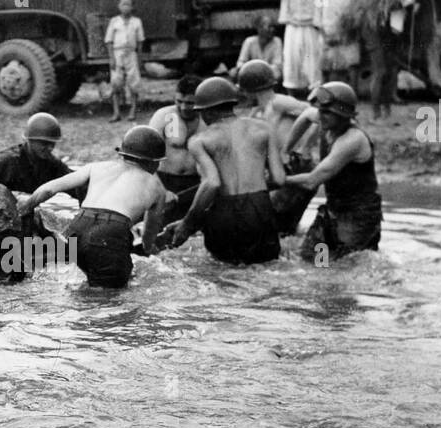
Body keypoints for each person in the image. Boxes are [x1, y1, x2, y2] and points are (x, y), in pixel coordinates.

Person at [17, 126, 167, 289]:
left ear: (122, 154)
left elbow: (49, 189)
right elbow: (151, 229)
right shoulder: (157, 187)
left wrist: (27, 206)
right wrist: (147, 247)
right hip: (109, 234)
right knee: (113, 297)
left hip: (77, 228)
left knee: (95, 282)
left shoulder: (97, 167)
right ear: (153, 162)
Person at [162, 74, 285, 265]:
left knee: (224, 273)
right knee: (266, 267)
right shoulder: (264, 128)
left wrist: (187, 224)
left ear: (206, 111)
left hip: (224, 212)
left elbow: (212, 184)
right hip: (260, 208)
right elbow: (279, 179)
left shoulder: (200, 141)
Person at [283, 83, 382, 261]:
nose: (321, 116)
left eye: (327, 113)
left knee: (347, 264)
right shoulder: (324, 119)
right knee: (309, 258)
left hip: (358, 218)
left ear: (343, 115)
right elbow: (306, 116)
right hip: (333, 209)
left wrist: (280, 179)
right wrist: (286, 151)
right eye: (320, 111)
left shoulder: (351, 140)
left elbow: (311, 181)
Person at [234, 59, 315, 236]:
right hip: (282, 173)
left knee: (272, 221)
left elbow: (317, 115)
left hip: (297, 168)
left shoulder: (279, 102)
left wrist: (306, 147)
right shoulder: (256, 113)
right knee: (277, 226)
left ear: (250, 90)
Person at [146, 75, 203, 228]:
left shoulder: (208, 119)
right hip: (165, 181)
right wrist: (161, 189)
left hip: (196, 184)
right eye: (179, 101)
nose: (184, 107)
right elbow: (146, 157)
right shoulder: (162, 116)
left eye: (190, 103)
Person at [267, 0, 326, 98]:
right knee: (291, 60)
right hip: (292, 28)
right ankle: (291, 95)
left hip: (309, 27)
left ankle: (315, 93)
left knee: (312, 61)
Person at [0, 112, 74, 194]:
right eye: (44, 143)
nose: (50, 148)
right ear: (29, 140)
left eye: (52, 144)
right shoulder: (6, 161)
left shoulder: (52, 165)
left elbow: (75, 184)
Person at [315, 0, 360, 91]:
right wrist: (327, 37)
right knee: (325, 68)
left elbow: (353, 17)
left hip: (345, 37)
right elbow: (318, 21)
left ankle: (353, 94)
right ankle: (325, 95)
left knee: (351, 64)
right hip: (327, 38)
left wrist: (343, 35)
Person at [104, 0, 145, 122]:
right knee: (116, 82)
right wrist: (112, 58)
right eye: (123, 4)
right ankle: (116, 113)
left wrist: (139, 58)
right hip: (118, 53)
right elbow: (109, 41)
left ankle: (132, 111)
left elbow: (140, 42)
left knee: (134, 82)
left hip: (131, 53)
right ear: (119, 6)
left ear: (132, 7)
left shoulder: (136, 21)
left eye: (128, 4)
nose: (126, 7)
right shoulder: (114, 21)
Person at [235, 16, 283, 83]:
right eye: (269, 27)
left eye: (273, 27)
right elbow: (240, 62)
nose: (273, 29)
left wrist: (260, 72)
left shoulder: (277, 41)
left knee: (277, 74)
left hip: (268, 75)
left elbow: (277, 65)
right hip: (252, 75)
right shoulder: (249, 41)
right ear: (259, 29)